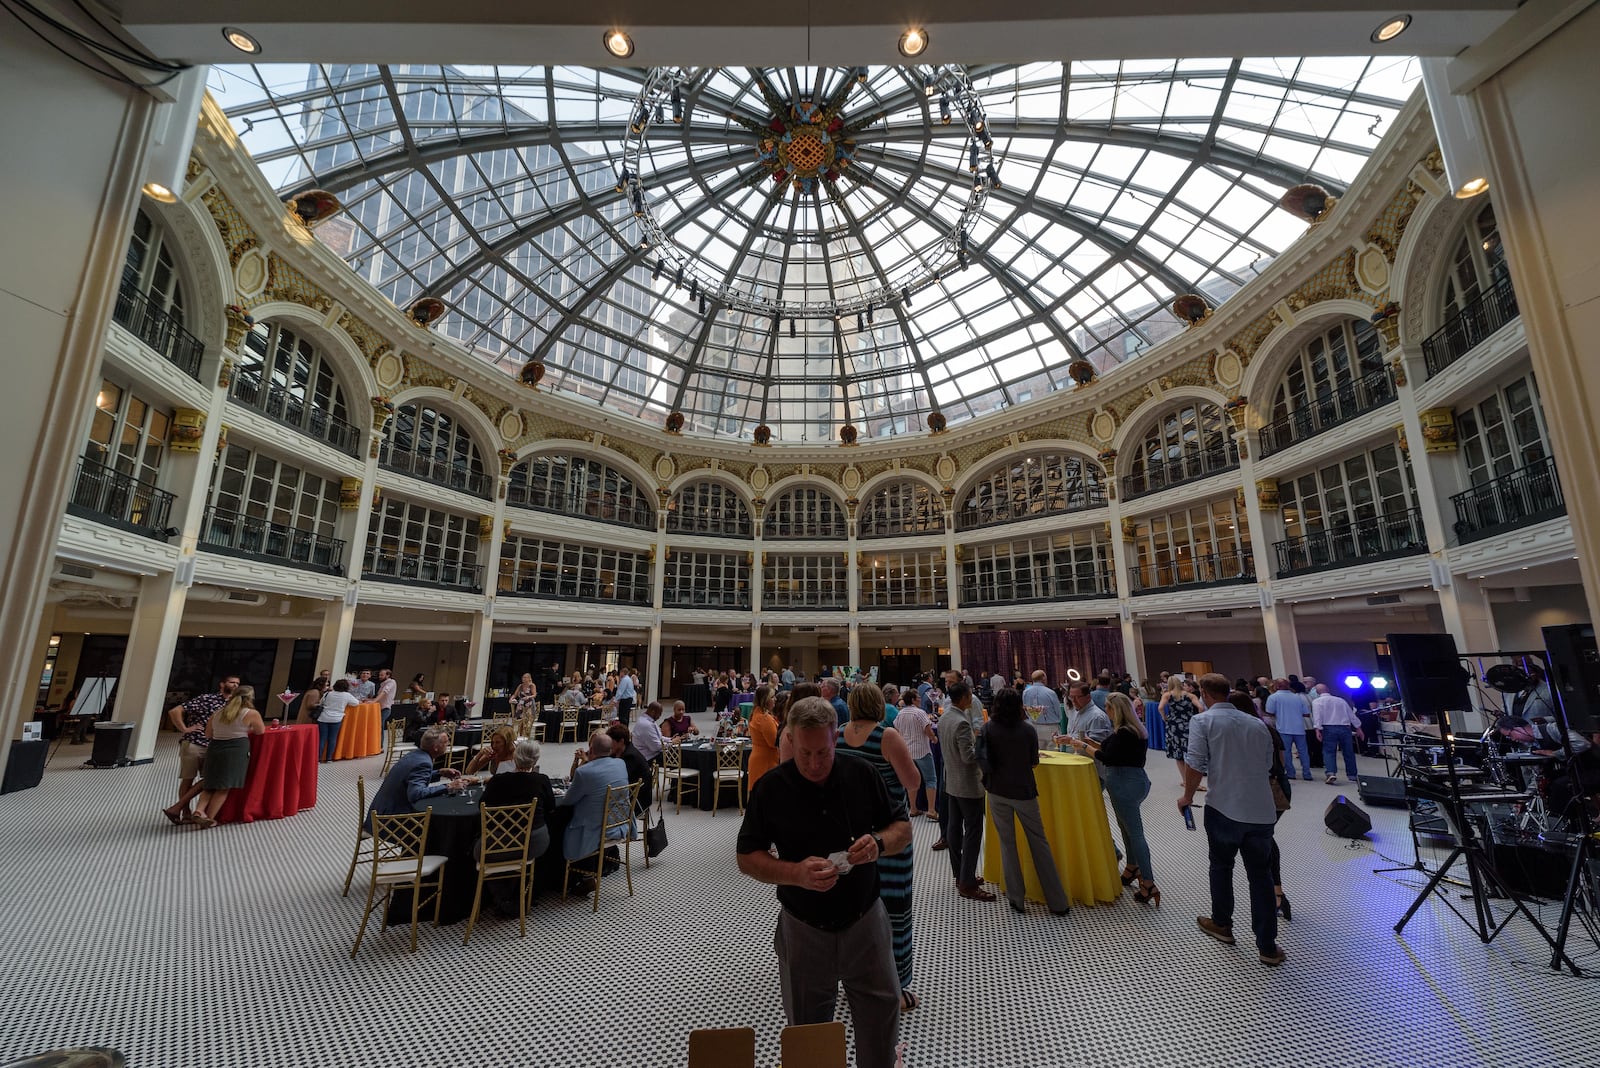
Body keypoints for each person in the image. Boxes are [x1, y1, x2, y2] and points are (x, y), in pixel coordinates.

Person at [736, 697, 911, 1068]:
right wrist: (795, 873)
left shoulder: (863, 774)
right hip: (803, 926)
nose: (814, 763)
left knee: (881, 1017)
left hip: (865, 919)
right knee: (807, 1030)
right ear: (789, 741)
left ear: (836, 738)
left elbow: (903, 829)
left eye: (823, 752)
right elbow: (747, 858)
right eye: (804, 753)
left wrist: (879, 844)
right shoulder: (771, 788)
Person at [1179, 673, 1284, 966]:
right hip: (1260, 810)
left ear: (1205, 694)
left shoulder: (1203, 721)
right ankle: (1267, 945)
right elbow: (1267, 764)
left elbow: (1196, 762)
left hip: (1224, 806)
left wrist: (1187, 796)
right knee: (1260, 875)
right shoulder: (1257, 723)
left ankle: (1222, 923)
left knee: (1221, 866)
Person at [837, 683, 922, 1010]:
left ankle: (856, 979)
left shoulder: (840, 734)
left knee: (857, 909)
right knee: (893, 909)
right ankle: (895, 986)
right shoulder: (886, 737)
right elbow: (912, 781)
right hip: (888, 833)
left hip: (853, 833)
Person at [983, 687, 1072, 917]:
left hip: (997, 790)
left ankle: (1016, 898)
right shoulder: (1027, 731)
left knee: (1007, 843)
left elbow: (983, 758)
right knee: (1038, 842)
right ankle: (1057, 900)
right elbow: (1034, 762)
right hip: (1024, 791)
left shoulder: (988, 729)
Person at [1075, 693, 1159, 906]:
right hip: (1136, 780)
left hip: (1123, 784)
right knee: (1126, 828)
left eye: (1108, 707)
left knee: (1136, 833)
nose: (1106, 711)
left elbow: (1109, 758)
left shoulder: (1124, 733)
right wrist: (1091, 742)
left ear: (1116, 709)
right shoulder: (1136, 730)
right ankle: (1132, 867)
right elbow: (1116, 751)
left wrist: (1084, 746)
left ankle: (1148, 882)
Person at [477, 738, 557, 915]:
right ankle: (522, 894)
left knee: (482, 853)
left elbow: (481, 807)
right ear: (535, 761)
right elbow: (551, 808)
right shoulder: (541, 780)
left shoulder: (497, 781)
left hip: (496, 843)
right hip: (533, 842)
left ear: (515, 757)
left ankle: (502, 896)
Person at [939, 679, 994, 902]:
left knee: (954, 827)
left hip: (951, 781)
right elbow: (968, 756)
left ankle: (960, 873)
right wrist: (981, 742)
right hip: (967, 784)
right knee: (973, 831)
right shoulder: (961, 723)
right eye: (970, 696)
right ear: (963, 698)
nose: (972, 699)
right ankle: (967, 882)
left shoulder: (945, 717)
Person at [162, 674, 239, 825]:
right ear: (222, 684)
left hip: (214, 747)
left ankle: (195, 811)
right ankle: (185, 812)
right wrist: (184, 728)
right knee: (188, 779)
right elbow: (175, 711)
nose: (235, 685)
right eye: (232, 682)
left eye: (237, 683)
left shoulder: (234, 704)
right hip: (194, 743)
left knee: (210, 780)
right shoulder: (206, 699)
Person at [186, 685, 265, 828]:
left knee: (210, 782)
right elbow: (260, 731)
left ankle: (199, 810)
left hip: (215, 748)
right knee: (224, 787)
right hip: (236, 750)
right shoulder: (251, 713)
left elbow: (208, 734)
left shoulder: (217, 713)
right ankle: (210, 818)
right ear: (250, 698)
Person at [368, 726, 468, 827]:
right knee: (440, 826)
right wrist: (449, 787)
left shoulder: (415, 755)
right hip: (390, 821)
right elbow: (415, 794)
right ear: (435, 747)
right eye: (446, 742)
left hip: (379, 813)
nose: (448, 744)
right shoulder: (424, 763)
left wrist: (439, 773)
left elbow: (410, 779)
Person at [555, 731, 631, 862]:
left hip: (595, 829)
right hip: (619, 823)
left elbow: (568, 800)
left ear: (591, 749)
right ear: (611, 749)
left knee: (557, 819)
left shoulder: (584, 772)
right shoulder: (621, 764)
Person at [893, 690, 938, 820]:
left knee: (911, 780)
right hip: (922, 750)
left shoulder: (900, 713)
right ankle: (931, 809)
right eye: (918, 697)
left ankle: (913, 808)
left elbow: (896, 730)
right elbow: (927, 729)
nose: (920, 699)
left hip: (907, 751)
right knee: (930, 779)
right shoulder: (920, 713)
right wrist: (934, 738)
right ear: (912, 700)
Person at [1312, 684, 1363, 784]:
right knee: (1348, 752)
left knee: (1329, 751)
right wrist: (1358, 727)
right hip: (1344, 727)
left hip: (1328, 728)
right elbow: (1351, 714)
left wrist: (1317, 729)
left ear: (1317, 692)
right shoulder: (1341, 700)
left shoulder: (1317, 702)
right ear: (1328, 689)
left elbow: (1317, 716)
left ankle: (1331, 773)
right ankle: (1352, 775)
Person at [1266, 678, 1313, 781]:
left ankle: (1291, 773)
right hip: (1299, 728)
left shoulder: (1273, 697)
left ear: (1277, 686)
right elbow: (1306, 713)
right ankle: (1307, 773)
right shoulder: (1298, 697)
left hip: (1283, 728)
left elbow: (1269, 712)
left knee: (1286, 752)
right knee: (1303, 752)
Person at [1160, 675, 1200, 785]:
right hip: (1189, 725)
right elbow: (1201, 707)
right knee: (1189, 752)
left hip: (1174, 726)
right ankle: (1192, 780)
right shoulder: (1190, 695)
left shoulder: (1167, 695)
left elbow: (1160, 707)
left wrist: (1165, 718)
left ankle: (1185, 781)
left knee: (1178, 755)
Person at [315, 679, 360, 763]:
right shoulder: (347, 695)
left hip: (323, 717)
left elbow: (321, 703)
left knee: (322, 738)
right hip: (336, 719)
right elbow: (356, 703)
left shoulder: (328, 693)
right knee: (332, 738)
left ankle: (318, 758)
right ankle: (329, 758)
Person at [746, 685, 781, 790]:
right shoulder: (765, 719)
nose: (775, 699)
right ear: (765, 700)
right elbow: (774, 742)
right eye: (772, 697)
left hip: (759, 758)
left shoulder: (756, 714)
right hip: (766, 761)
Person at [1058, 682, 1112, 748]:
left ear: (1088, 697)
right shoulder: (1074, 711)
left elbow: (1097, 745)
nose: (1073, 701)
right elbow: (1072, 734)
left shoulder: (1097, 717)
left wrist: (1071, 740)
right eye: (1071, 697)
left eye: (1077, 697)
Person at [1022, 670, 1064, 745]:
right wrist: (1058, 719)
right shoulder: (1050, 692)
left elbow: (1025, 708)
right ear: (1043, 678)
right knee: (1053, 754)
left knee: (1038, 753)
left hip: (1033, 725)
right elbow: (1057, 709)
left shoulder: (1025, 692)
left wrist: (1032, 717)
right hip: (1050, 727)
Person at [634, 701, 664, 766]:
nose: (659, 716)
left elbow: (658, 737)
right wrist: (670, 744)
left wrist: (671, 740)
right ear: (653, 712)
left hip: (651, 753)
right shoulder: (647, 724)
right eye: (659, 714)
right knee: (678, 757)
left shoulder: (648, 720)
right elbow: (656, 747)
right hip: (648, 757)